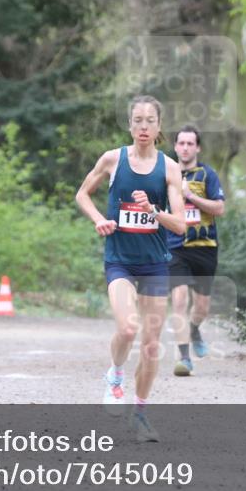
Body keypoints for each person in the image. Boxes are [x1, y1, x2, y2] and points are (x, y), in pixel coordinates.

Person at [75, 95, 186, 442]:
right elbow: (82, 194)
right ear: (129, 125)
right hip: (120, 260)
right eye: (137, 120)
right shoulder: (112, 159)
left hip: (154, 264)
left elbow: (181, 225)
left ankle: (139, 415)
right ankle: (115, 376)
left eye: (150, 120)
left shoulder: (169, 167)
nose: (143, 126)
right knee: (127, 329)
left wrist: (154, 211)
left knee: (152, 346)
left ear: (158, 126)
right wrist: (99, 219)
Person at [167, 125, 225, 376]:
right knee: (179, 300)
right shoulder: (166, 175)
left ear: (198, 148)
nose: (185, 148)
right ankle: (184, 358)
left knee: (201, 308)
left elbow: (219, 208)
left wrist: (191, 196)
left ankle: (194, 328)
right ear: (175, 147)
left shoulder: (207, 175)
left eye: (190, 143)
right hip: (176, 247)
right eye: (181, 143)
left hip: (205, 247)